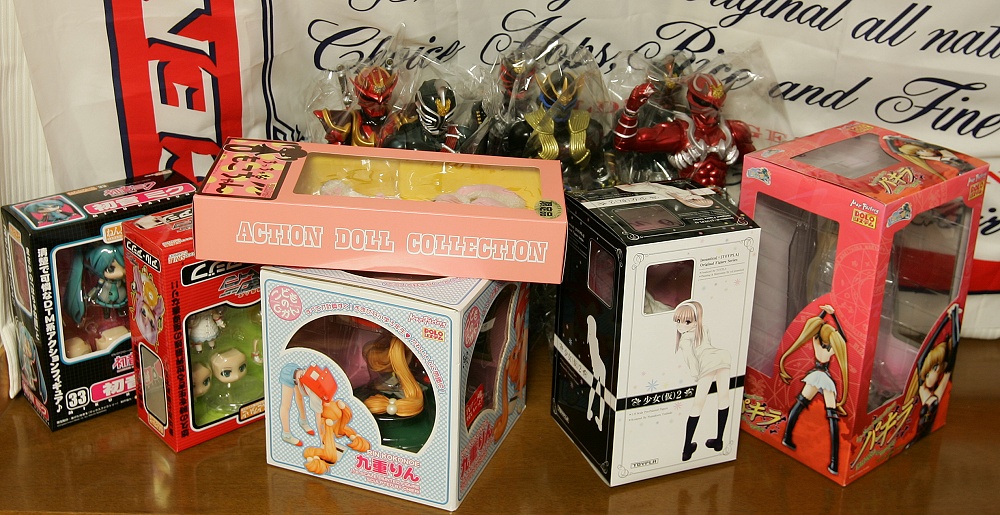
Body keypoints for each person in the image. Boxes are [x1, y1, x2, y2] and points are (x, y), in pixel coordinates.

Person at [613, 72, 755, 192]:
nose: (712, 111)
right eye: (706, 104)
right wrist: (631, 110)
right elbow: (624, 143)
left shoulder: (735, 130)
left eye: (716, 105)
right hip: (687, 199)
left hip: (720, 198)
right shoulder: (679, 132)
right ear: (692, 98)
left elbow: (756, 167)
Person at [779, 304, 849, 475]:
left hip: (815, 376)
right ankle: (834, 463)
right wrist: (834, 317)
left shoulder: (816, 341)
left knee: (800, 404)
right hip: (824, 378)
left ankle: (787, 437)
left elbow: (814, 324)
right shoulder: (832, 348)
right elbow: (843, 338)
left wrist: (825, 312)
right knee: (831, 415)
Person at [673, 300, 732, 461]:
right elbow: (708, 347)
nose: (681, 325)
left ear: (696, 320)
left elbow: (691, 361)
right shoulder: (704, 329)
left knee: (698, 404)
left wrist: (695, 376)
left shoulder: (685, 340)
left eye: (687, 321)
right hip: (723, 356)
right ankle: (719, 441)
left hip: (707, 364)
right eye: (678, 320)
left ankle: (687, 448)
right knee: (724, 397)